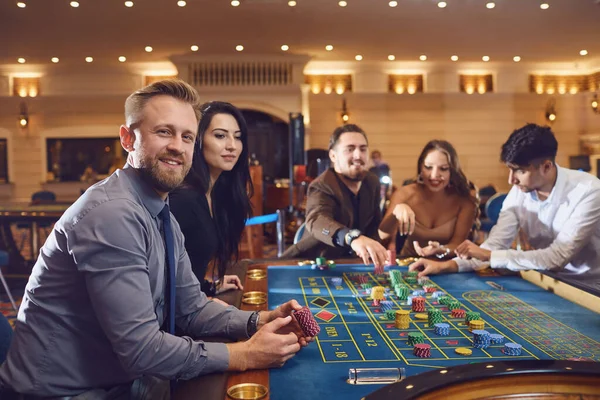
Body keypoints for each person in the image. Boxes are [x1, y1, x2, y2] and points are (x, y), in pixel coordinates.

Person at [0, 79, 310, 398]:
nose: (177, 146)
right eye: (164, 132)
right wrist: (247, 354)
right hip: (64, 393)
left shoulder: (161, 212)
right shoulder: (112, 214)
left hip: (120, 382)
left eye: (187, 136)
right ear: (127, 138)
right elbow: (142, 349)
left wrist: (259, 320)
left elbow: (190, 308)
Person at [410, 124, 600, 282]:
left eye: (519, 171)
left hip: (591, 287)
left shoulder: (589, 191)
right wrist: (443, 266)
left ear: (546, 167)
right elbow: (494, 246)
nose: (511, 180)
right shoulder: (518, 193)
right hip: (548, 281)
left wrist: (490, 256)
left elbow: (556, 257)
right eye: (509, 170)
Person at [170, 101, 251, 297]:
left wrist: (207, 286)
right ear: (198, 140)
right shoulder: (183, 198)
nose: (232, 146)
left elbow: (187, 271)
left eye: (237, 137)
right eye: (220, 136)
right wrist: (203, 302)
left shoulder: (215, 195)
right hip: (170, 321)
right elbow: (163, 279)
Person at [281, 124, 389, 272]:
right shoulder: (321, 185)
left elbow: (373, 228)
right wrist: (352, 238)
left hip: (355, 264)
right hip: (312, 263)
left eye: (363, 149)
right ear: (333, 155)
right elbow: (316, 220)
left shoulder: (372, 182)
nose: (358, 155)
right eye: (350, 149)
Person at [379, 140, 478, 259]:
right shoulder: (404, 194)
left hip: (445, 267)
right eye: (428, 167)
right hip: (408, 264)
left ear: (452, 170)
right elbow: (382, 236)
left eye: (443, 168)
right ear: (420, 167)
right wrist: (396, 212)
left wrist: (440, 250)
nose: (434, 175)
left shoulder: (465, 200)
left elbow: (457, 244)